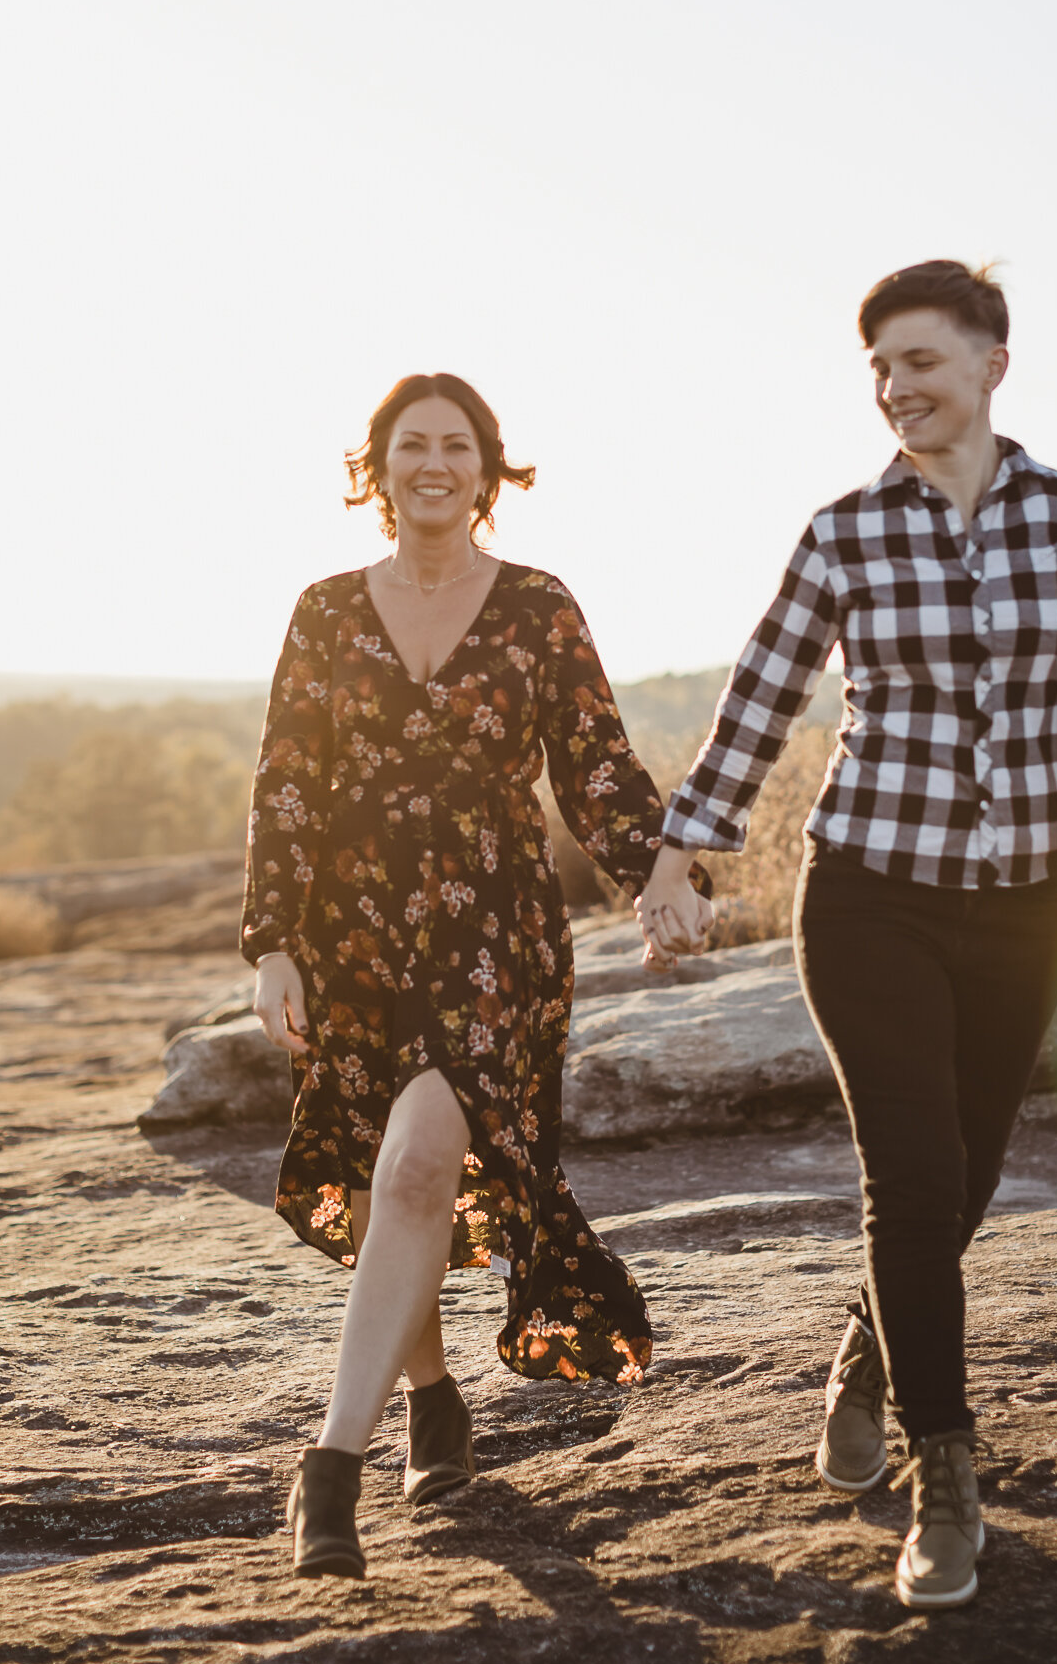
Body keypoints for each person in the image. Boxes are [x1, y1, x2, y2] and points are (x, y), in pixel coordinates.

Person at [636, 260, 1057, 1611]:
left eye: (920, 364)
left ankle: (870, 1353)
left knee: (973, 1171)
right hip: (869, 892)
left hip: (1020, 910)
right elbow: (760, 693)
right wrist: (682, 847)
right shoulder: (843, 533)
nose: (895, 391)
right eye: (877, 368)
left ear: (993, 362)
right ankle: (947, 1472)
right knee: (913, 1177)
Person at [243, 371, 710, 1580]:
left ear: (487, 468)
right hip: (355, 934)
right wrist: (273, 941)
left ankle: (329, 1469)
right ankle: (434, 1396)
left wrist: (659, 877)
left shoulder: (540, 607)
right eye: (412, 445)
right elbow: (287, 785)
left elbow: (596, 768)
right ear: (379, 467)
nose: (433, 463)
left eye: (456, 444)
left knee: (413, 1164)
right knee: (395, 1179)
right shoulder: (325, 611)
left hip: (494, 933)